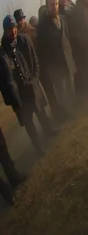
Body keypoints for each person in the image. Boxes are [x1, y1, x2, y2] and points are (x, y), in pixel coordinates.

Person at [0, 16, 58, 156]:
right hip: (20, 93)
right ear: (5, 31)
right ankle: (38, 147)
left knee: (41, 111)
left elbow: (35, 59)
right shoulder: (3, 52)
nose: (13, 31)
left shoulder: (24, 40)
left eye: (14, 28)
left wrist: (35, 77)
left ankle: (48, 131)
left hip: (32, 84)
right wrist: (12, 99)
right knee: (29, 123)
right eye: (9, 29)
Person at [37, 0, 75, 119]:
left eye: (57, 4)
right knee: (61, 90)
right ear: (47, 6)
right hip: (55, 65)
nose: (55, 7)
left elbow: (67, 38)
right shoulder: (42, 26)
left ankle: (71, 106)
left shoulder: (63, 19)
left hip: (67, 60)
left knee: (70, 84)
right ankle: (63, 112)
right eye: (52, 5)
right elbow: (42, 50)